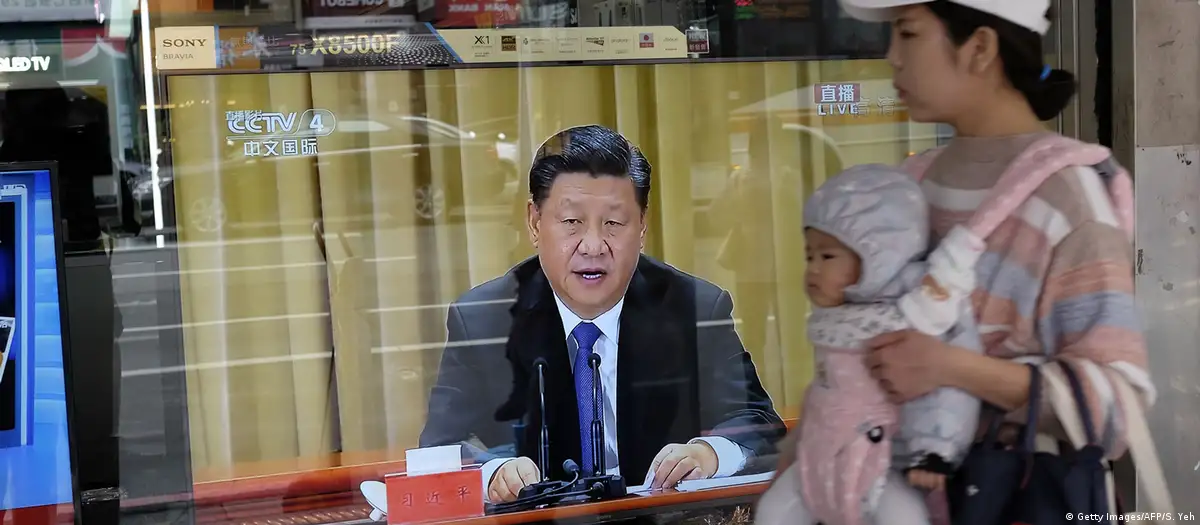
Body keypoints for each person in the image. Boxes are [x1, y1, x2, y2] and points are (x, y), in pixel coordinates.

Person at [771, 0, 1154, 513]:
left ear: (980, 48)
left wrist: (952, 368)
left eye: (908, 33)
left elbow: (1118, 407)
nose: (892, 56)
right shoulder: (908, 186)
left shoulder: (1069, 199)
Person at [420, 125, 786, 503]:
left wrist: (709, 454)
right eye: (571, 222)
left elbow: (758, 423)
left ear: (641, 226)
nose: (593, 246)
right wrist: (493, 473)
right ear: (534, 222)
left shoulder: (693, 308)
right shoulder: (483, 319)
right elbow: (439, 447)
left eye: (613, 223)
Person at [755, 165, 983, 525]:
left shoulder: (914, 319)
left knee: (904, 517)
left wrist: (934, 449)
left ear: (877, 258)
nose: (813, 269)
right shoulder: (831, 324)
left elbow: (943, 393)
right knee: (773, 513)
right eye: (809, 256)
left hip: (880, 460)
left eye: (827, 256)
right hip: (818, 459)